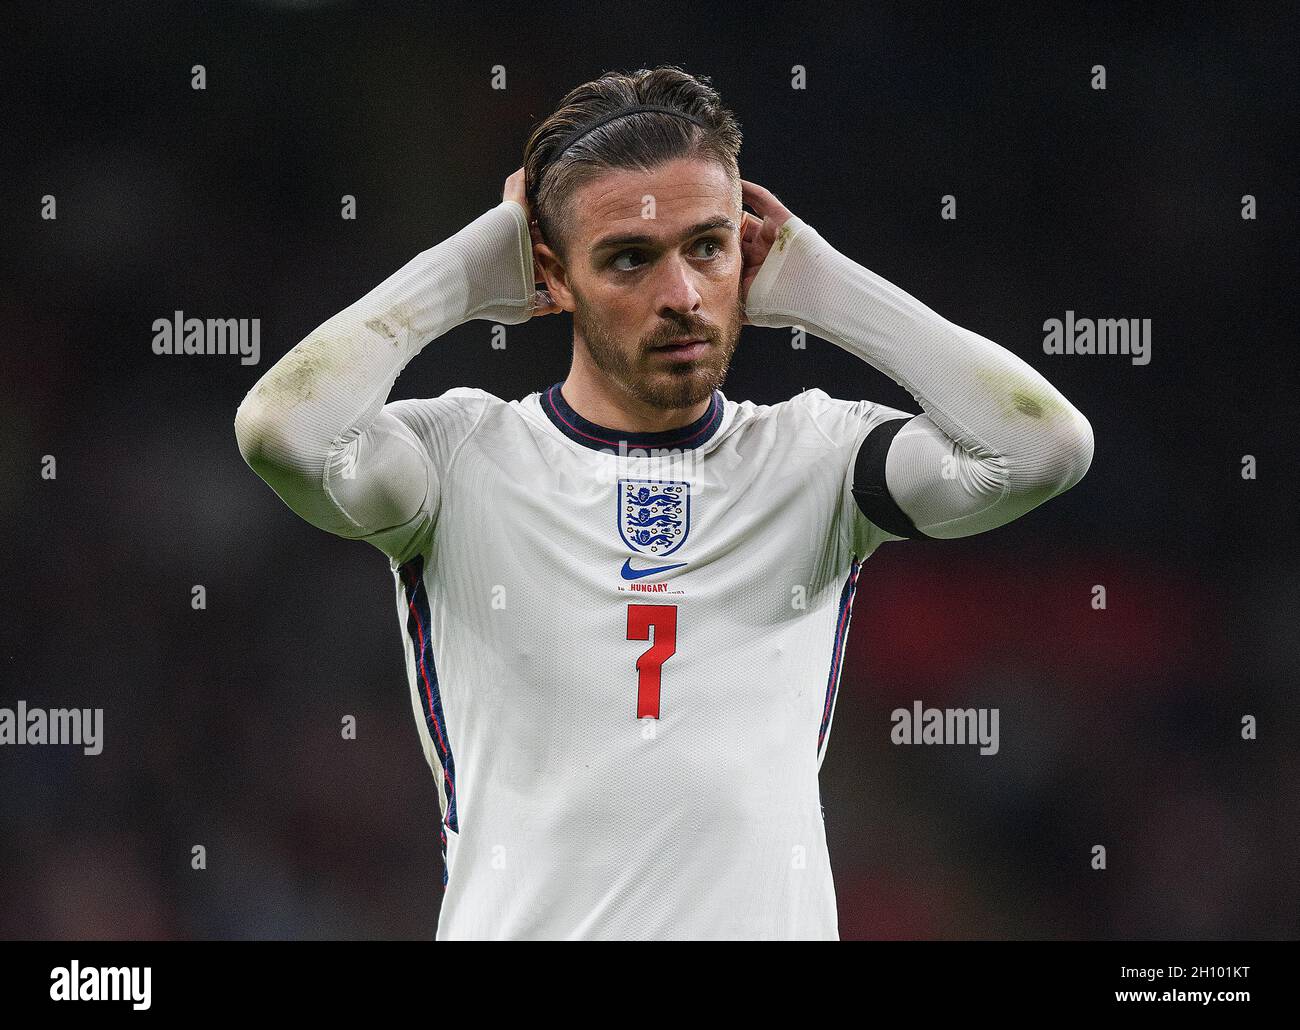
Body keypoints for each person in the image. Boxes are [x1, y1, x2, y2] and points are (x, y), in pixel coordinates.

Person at [233, 66, 1093, 940]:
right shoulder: (457, 462)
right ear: (550, 274)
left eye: (708, 248)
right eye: (630, 259)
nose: (681, 295)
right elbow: (282, 432)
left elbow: (1040, 449)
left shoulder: (817, 460)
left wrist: (830, 292)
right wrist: (462, 273)